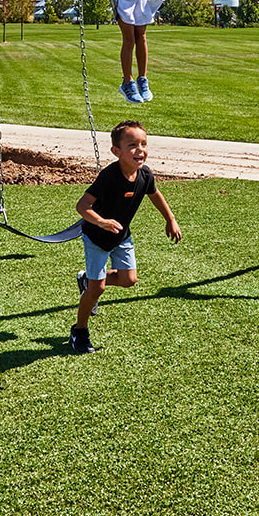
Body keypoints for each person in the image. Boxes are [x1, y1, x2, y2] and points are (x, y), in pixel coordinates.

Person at [71, 119, 182, 354]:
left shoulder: (145, 175)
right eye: (132, 145)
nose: (140, 150)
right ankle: (80, 330)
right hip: (97, 238)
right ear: (116, 151)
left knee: (128, 280)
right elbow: (82, 205)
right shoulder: (109, 177)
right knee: (97, 289)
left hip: (121, 236)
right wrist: (101, 222)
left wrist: (170, 219)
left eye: (143, 144)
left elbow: (155, 194)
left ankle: (86, 280)